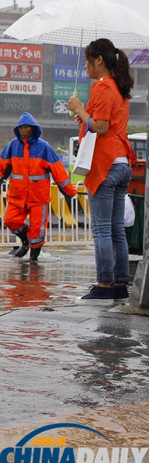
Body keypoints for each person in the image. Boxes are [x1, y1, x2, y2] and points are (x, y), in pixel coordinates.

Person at [68, 38, 135, 303]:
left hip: (106, 165)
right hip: (122, 164)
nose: (85, 66)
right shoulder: (119, 88)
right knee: (117, 230)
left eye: (88, 59)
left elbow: (102, 127)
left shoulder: (102, 86)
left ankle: (104, 284)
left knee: (103, 230)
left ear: (99, 60)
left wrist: (80, 110)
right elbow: (101, 122)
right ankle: (120, 284)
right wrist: (85, 115)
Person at [0, 112, 78, 262]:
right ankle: (26, 242)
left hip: (38, 198)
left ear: (33, 129)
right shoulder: (13, 146)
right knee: (10, 219)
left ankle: (33, 261)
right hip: (17, 196)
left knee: (37, 231)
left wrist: (69, 191)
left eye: (26, 127)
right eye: (20, 128)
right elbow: (0, 169)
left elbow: (58, 171)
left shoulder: (44, 148)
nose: (23, 131)